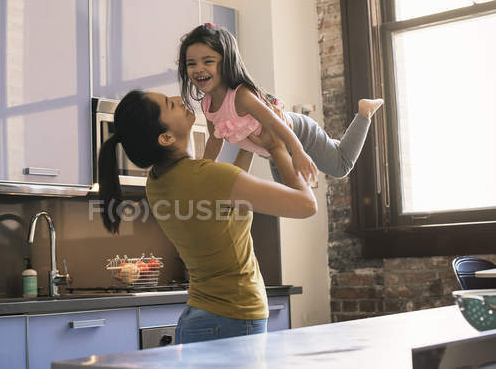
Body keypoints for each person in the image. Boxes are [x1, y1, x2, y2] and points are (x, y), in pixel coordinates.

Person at [98, 89, 316, 344]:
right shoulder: (208, 177)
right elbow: (306, 205)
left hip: (201, 318)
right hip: (234, 317)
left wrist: (247, 144)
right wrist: (277, 147)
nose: (180, 100)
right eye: (171, 104)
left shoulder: (156, 182)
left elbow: (223, 195)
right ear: (166, 137)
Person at [178, 23, 384, 184]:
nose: (198, 69)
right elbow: (215, 139)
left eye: (208, 61)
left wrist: (300, 152)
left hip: (299, 134)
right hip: (271, 149)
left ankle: (364, 112)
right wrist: (203, 168)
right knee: (288, 191)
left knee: (340, 168)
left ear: (226, 62)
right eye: (191, 63)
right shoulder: (207, 104)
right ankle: (332, 144)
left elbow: (277, 124)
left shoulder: (241, 96)